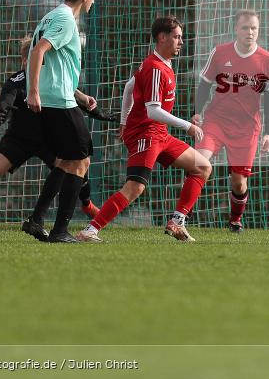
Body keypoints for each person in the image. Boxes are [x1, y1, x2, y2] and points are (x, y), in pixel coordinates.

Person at [0, 35, 115, 234]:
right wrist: (4, 106)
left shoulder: (54, 80)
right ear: (24, 60)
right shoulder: (18, 79)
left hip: (50, 139)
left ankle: (87, 204)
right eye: (30, 58)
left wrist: (98, 112)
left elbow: (73, 98)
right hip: (19, 138)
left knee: (75, 162)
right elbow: (9, 93)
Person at [77, 16, 212, 243]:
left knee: (202, 167)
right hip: (146, 135)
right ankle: (90, 231)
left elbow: (129, 88)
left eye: (181, 37)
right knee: (135, 187)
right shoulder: (155, 67)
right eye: (177, 37)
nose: (181, 42)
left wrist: (123, 121)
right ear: (162, 37)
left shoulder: (160, 64)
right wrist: (187, 125)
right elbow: (153, 111)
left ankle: (177, 222)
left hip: (159, 134)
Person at [25, 0, 101, 242]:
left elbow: (55, 66)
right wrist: (33, 91)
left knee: (67, 160)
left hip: (60, 97)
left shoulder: (50, 16)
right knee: (81, 161)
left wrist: (79, 95)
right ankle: (59, 231)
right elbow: (38, 52)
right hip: (56, 101)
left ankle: (36, 219)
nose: (93, 1)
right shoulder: (65, 19)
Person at [192, 9, 269, 233]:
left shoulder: (268, 60)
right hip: (216, 122)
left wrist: (268, 133)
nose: (250, 32)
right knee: (199, 163)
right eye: (245, 28)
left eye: (254, 28)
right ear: (236, 30)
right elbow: (204, 85)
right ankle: (180, 216)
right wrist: (197, 112)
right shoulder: (220, 53)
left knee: (239, 182)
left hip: (247, 128)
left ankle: (235, 220)